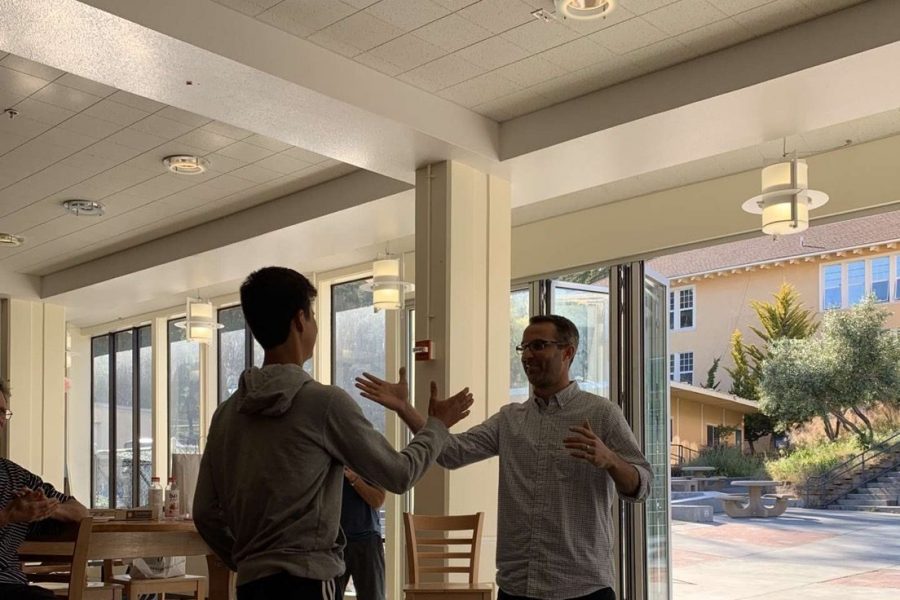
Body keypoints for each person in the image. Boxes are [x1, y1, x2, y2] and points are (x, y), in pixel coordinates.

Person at [193, 266, 473, 600]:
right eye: (312, 315)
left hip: (252, 584)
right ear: (300, 320)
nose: (314, 325)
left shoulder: (226, 413)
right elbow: (399, 475)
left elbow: (205, 513)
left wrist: (247, 559)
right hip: (309, 581)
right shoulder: (322, 404)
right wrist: (437, 426)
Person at [357, 315, 653, 600]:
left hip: (582, 587)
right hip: (517, 588)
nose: (527, 355)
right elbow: (451, 453)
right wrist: (404, 409)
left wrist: (612, 460)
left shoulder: (602, 414)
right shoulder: (510, 419)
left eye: (538, 345)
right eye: (524, 347)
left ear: (568, 353)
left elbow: (643, 485)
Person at [0, 379, 89, 600]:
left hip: (11, 585)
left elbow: (80, 511)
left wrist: (46, 508)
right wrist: (8, 515)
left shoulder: (15, 476)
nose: (1, 420)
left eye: (3, 412)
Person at [337, 467, 385, 600]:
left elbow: (378, 500)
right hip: (334, 541)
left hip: (368, 539)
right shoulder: (329, 456)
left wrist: (354, 479)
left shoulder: (369, 459)